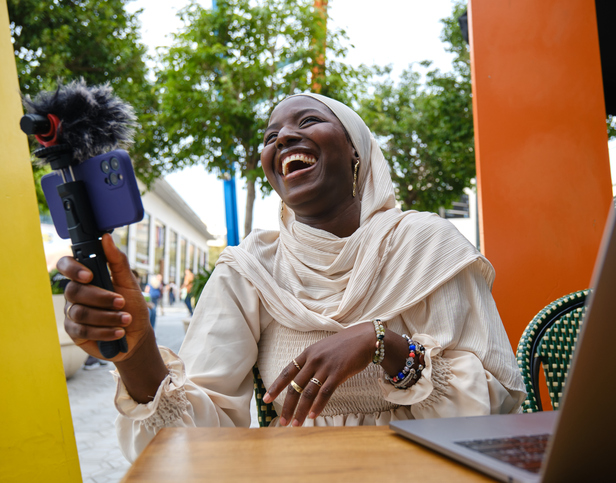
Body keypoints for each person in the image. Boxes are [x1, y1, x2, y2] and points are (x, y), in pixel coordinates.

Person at [57, 93, 526, 462]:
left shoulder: (426, 244)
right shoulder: (250, 269)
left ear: (356, 152)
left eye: (306, 123)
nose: (282, 138)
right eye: (270, 135)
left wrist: (383, 344)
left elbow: (494, 407)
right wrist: (136, 354)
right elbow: (199, 439)